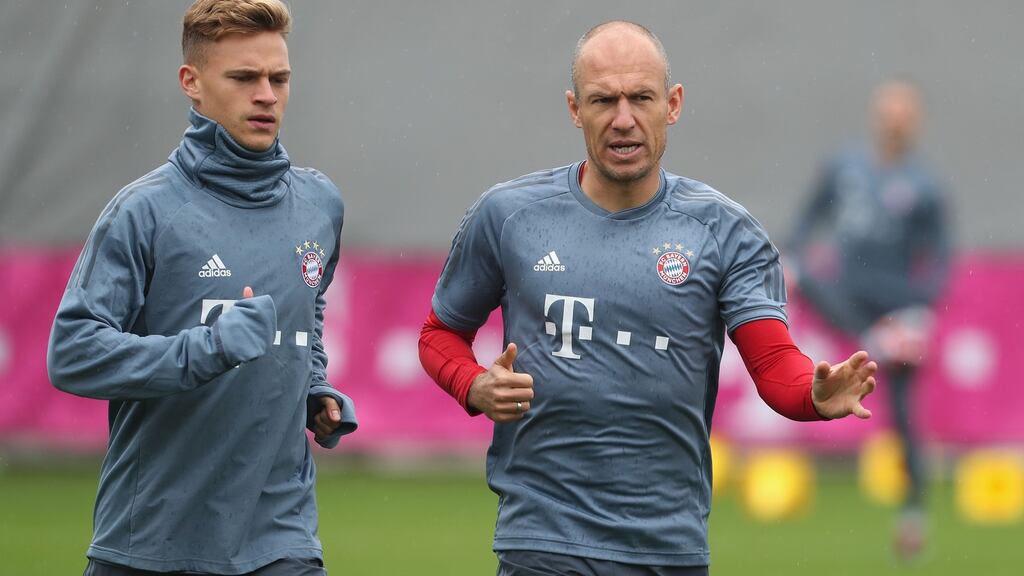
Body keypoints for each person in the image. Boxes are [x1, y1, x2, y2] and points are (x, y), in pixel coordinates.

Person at [419, 20, 878, 575]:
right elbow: (440, 333)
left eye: (640, 98)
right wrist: (473, 384)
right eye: (602, 100)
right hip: (543, 542)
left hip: (668, 548)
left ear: (673, 104)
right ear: (574, 109)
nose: (623, 119)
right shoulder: (509, 216)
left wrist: (812, 394)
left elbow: (774, 362)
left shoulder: (724, 232)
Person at [46, 1, 357, 574]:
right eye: (244, 78)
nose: (266, 95)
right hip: (153, 543)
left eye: (279, 78)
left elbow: (306, 315)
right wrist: (208, 349)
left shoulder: (320, 205)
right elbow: (72, 354)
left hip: (283, 541)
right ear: (191, 82)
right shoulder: (145, 211)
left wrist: (315, 387)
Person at [787, 79, 951, 560]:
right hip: (850, 299)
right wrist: (794, 251)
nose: (895, 123)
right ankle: (870, 338)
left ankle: (913, 513)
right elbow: (806, 219)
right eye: (889, 114)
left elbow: (939, 260)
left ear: (915, 123)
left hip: (897, 309)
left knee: (903, 416)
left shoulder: (925, 187)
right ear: (877, 118)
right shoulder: (846, 166)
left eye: (904, 115)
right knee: (800, 274)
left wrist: (919, 315)